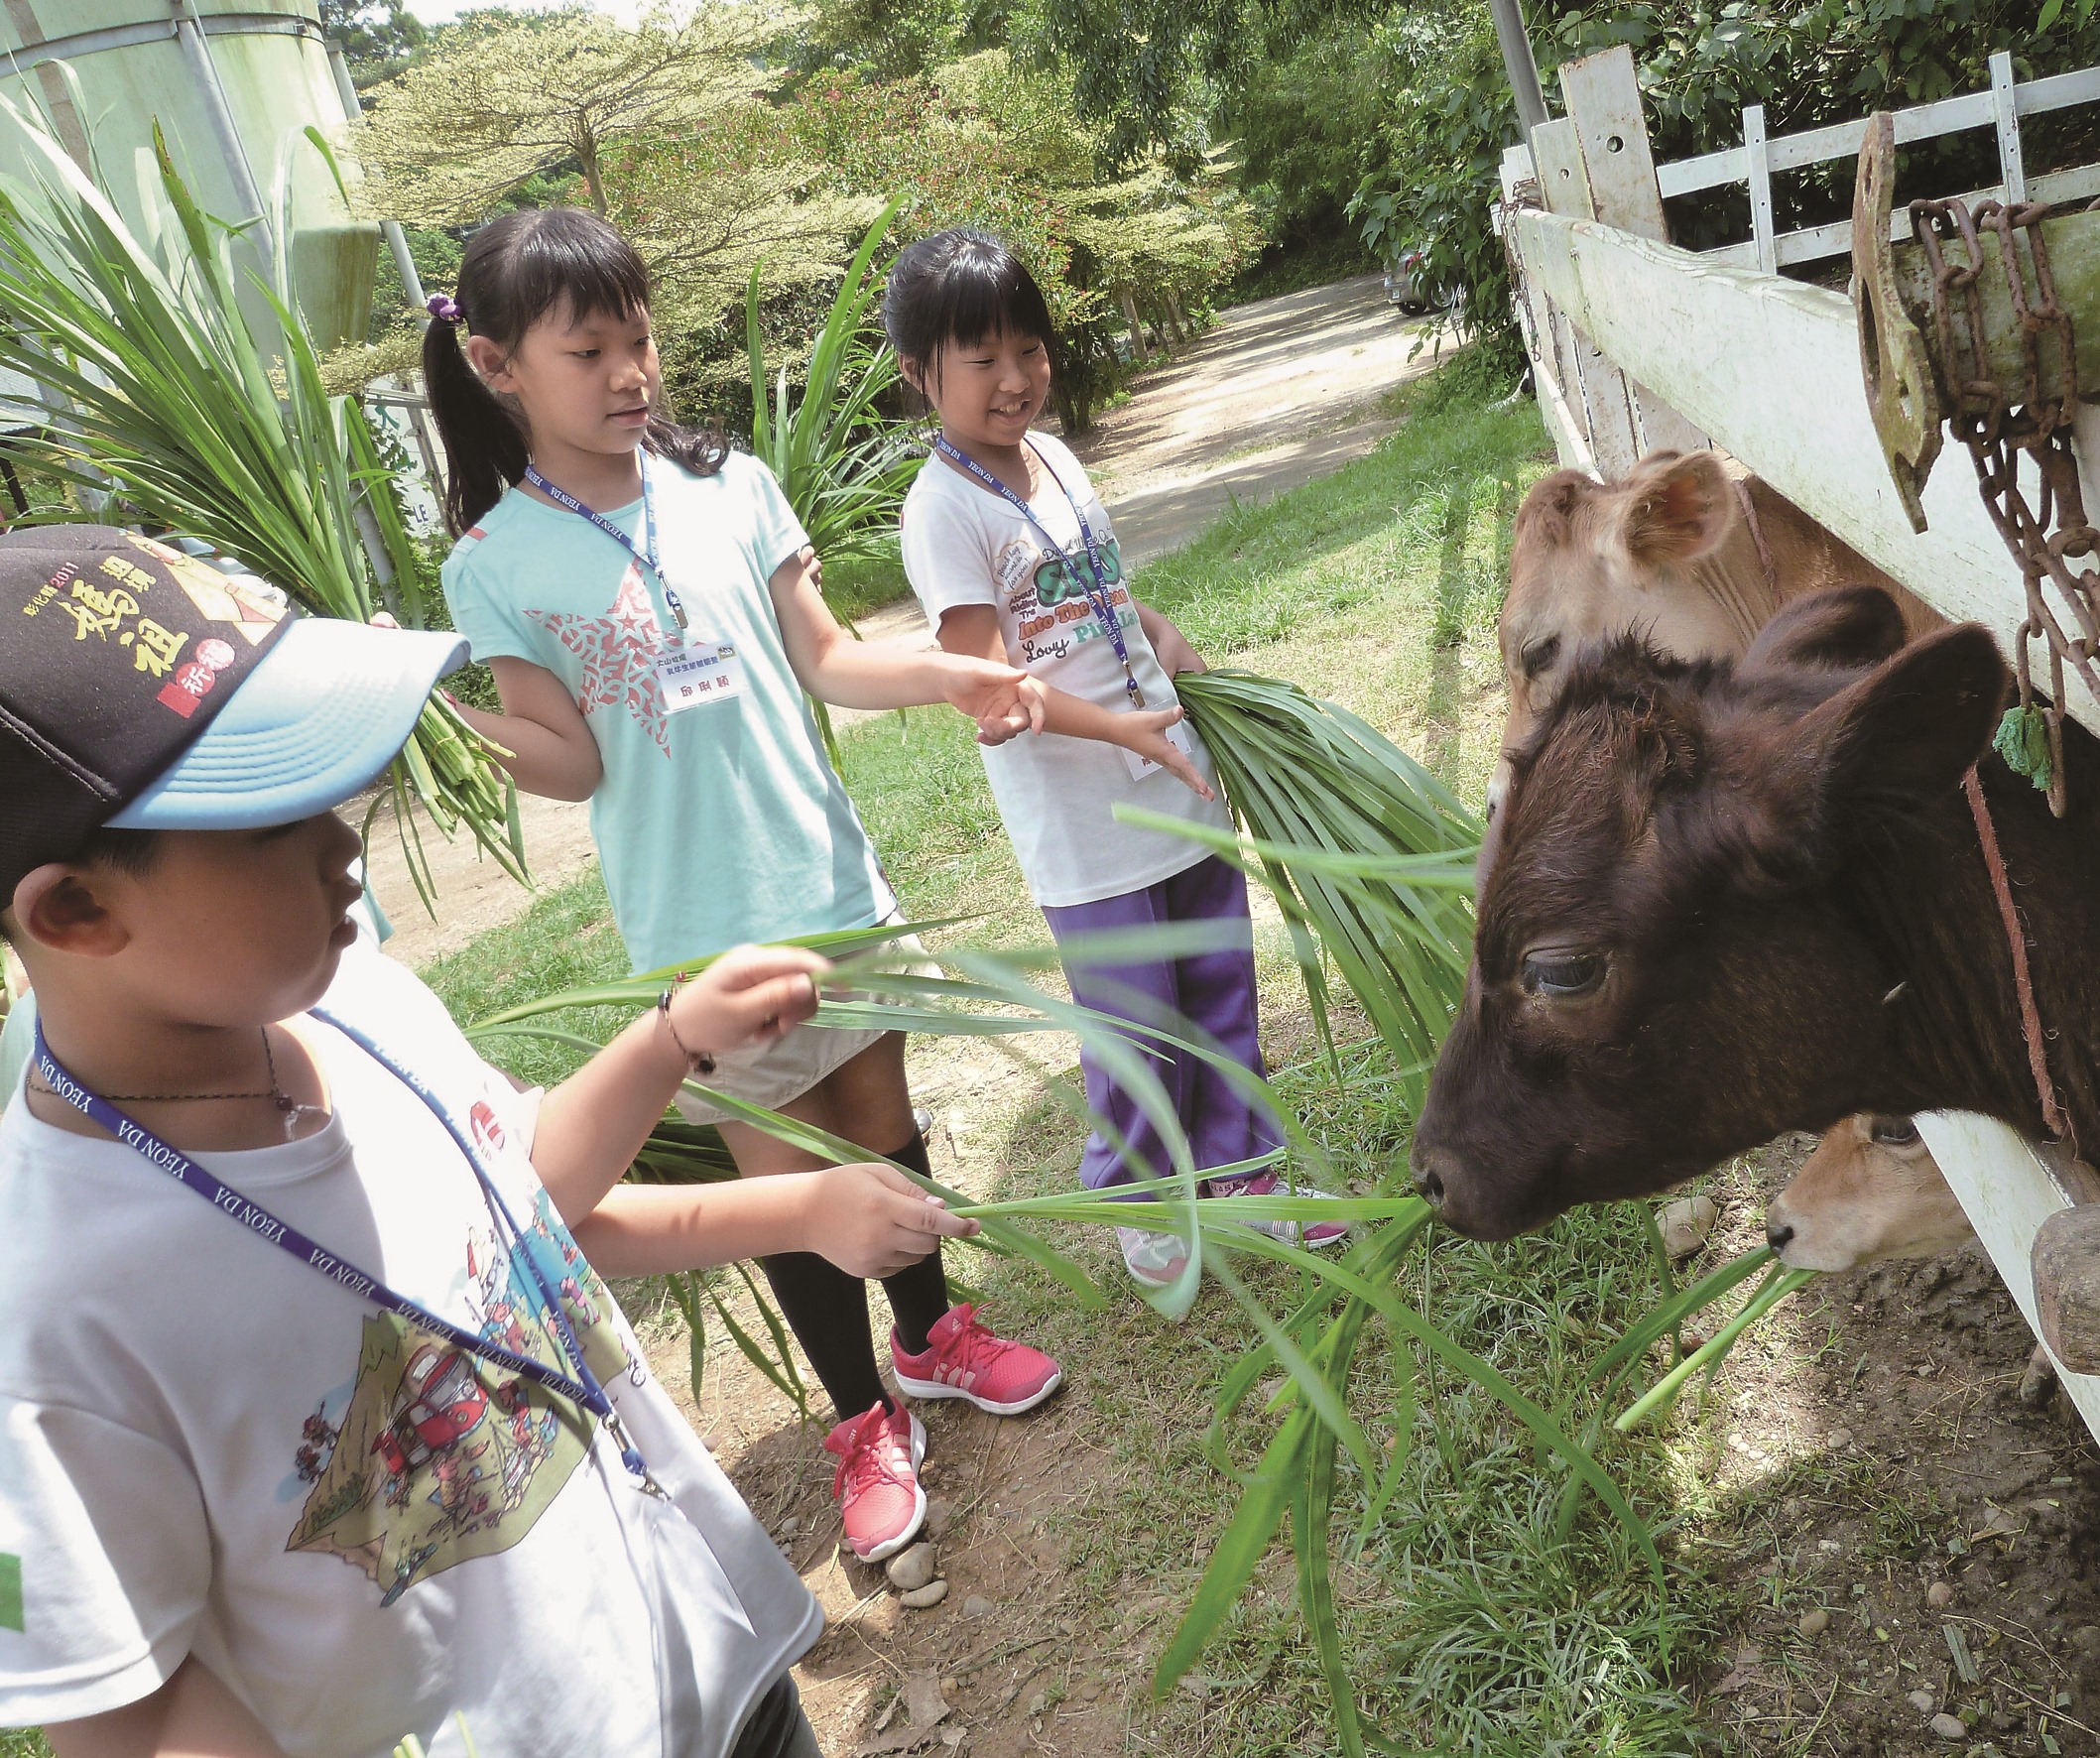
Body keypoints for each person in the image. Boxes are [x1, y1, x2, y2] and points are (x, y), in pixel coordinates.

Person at [0, 526, 982, 1755]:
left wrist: (685, 1051)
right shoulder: (51, 1314)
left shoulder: (355, 997)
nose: (342, 839)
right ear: (77, 908)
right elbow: (128, 1713)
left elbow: (530, 1197)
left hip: (705, 1667)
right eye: (270, 815)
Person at [422, 207, 1062, 1564]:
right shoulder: (493, 565)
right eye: (588, 350)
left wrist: (947, 672)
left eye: (640, 339)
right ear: (494, 367)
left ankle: (936, 1333)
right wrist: (440, 711)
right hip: (700, 942)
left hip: (827, 883)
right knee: (785, 1177)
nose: (629, 372)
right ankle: (857, 1415)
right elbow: (568, 760)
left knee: (882, 1121)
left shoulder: (733, 488)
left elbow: (828, 659)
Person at [884, 228, 1350, 1301]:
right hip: (1087, 822)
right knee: (1135, 1019)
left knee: (1218, 981)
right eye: (983, 359)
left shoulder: (1055, 458)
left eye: (1028, 349)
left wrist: (1159, 635)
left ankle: (1241, 1171)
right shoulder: (942, 510)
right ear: (921, 375)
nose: (1016, 378)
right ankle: (1142, 1198)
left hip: (1168, 769)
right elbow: (987, 683)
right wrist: (1119, 731)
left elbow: (1089, 590)